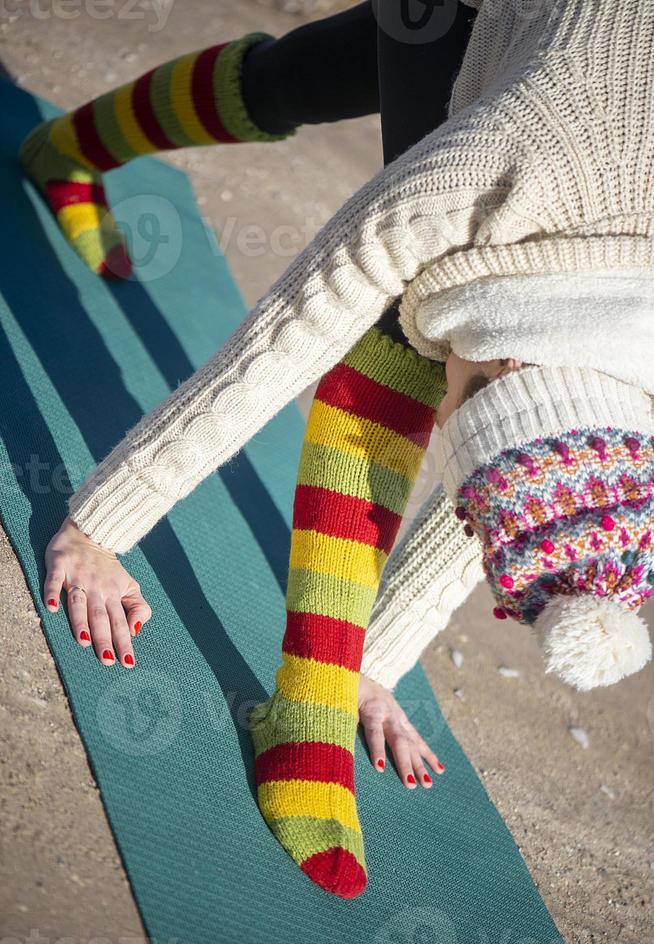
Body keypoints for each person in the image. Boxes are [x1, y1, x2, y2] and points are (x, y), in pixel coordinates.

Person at [23, 0, 654, 899]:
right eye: (465, 405)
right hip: (531, 71)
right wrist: (100, 525)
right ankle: (306, 709)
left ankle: (64, 150)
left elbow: (530, 479)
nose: (448, 421)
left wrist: (380, 659)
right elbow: (290, 335)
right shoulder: (488, 174)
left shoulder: (630, 349)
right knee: (393, 335)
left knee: (305, 75)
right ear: (512, 348)